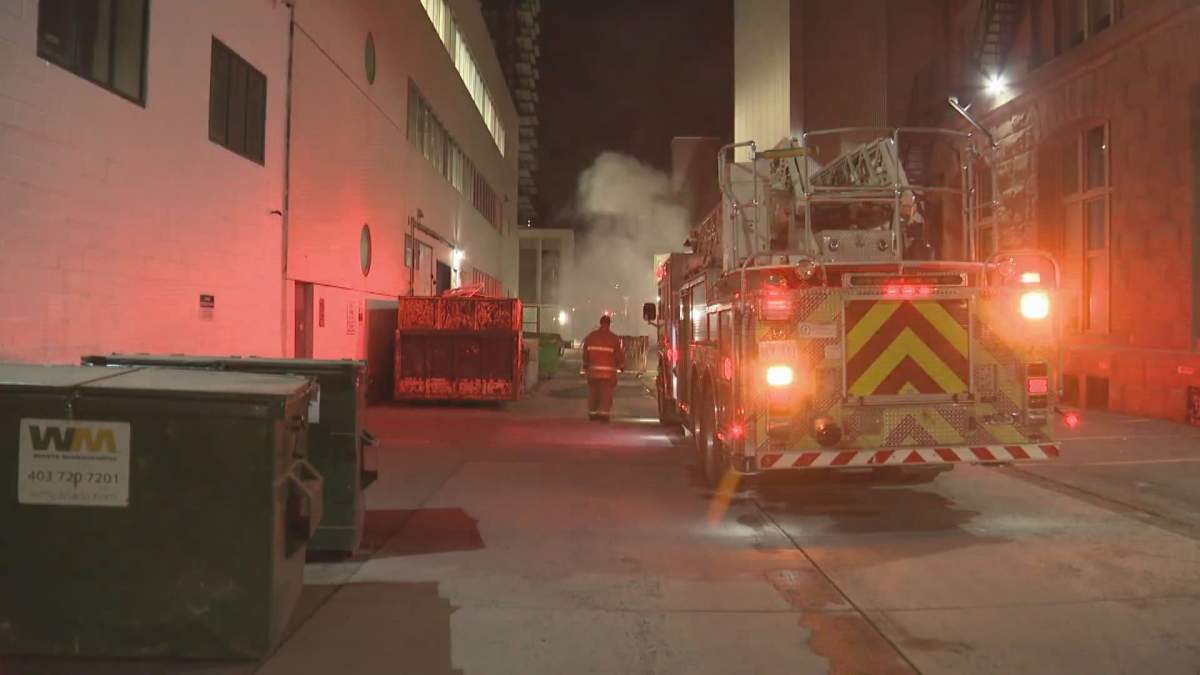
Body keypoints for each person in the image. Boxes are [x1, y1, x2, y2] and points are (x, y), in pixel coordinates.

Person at [581, 314, 625, 421]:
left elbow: (585, 353)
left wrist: (586, 364)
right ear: (609, 324)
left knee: (593, 392)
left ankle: (592, 413)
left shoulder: (591, 336)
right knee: (605, 393)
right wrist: (622, 366)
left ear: (600, 323)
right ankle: (603, 414)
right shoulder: (614, 338)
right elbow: (619, 354)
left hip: (593, 371)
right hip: (608, 373)